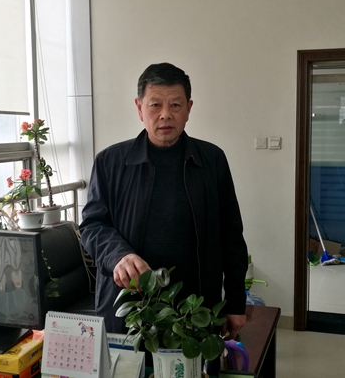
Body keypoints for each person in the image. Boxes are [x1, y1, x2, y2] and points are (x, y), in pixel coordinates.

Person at [80, 62, 248, 342]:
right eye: (155, 105)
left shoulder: (212, 160)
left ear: (189, 108)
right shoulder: (110, 162)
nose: (165, 114)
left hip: (195, 308)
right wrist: (118, 255)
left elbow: (231, 235)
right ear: (139, 108)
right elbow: (92, 225)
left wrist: (235, 302)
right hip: (129, 306)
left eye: (176, 105)